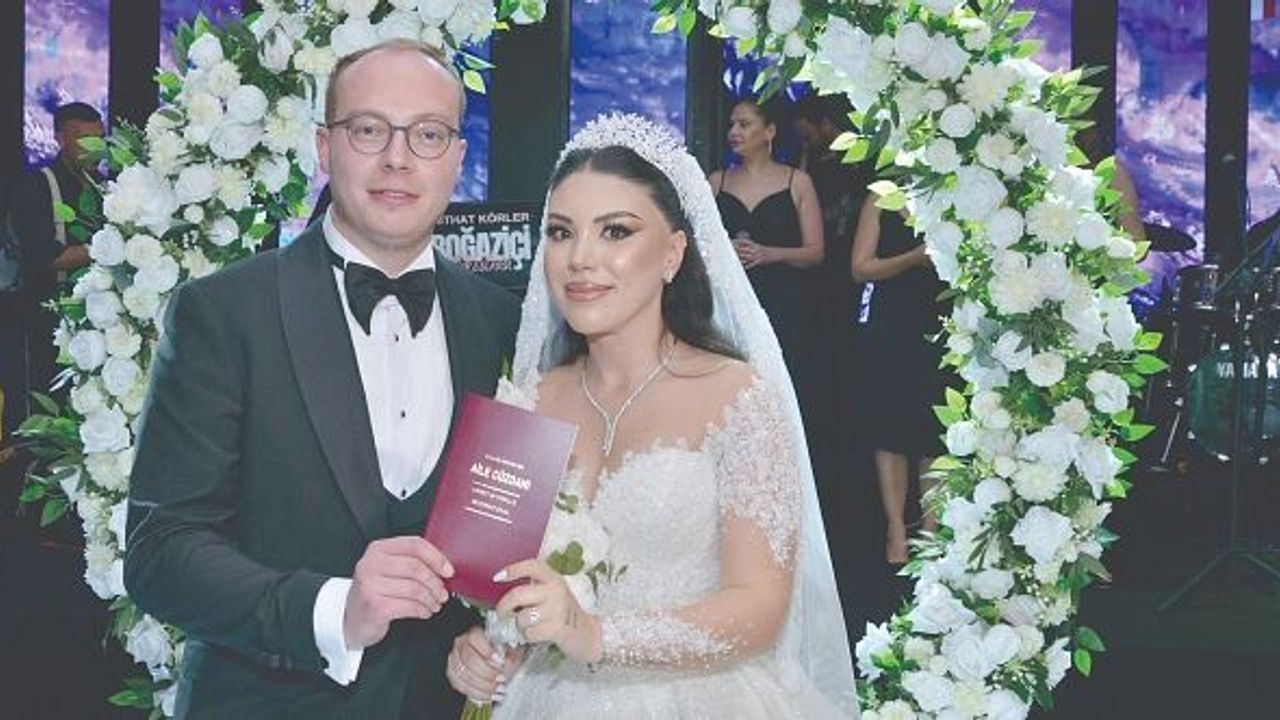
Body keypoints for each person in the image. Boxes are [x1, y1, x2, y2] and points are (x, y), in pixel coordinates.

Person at [124, 39, 520, 718]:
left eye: (427, 134)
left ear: (457, 157)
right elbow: (161, 552)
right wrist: (334, 610)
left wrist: (493, 639)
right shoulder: (223, 312)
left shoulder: (501, 322)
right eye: (368, 130)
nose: (398, 158)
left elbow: (504, 534)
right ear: (324, 148)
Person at [444, 114, 858, 718]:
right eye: (561, 232)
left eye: (615, 231)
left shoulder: (735, 395)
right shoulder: (527, 400)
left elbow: (760, 607)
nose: (580, 258)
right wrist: (489, 647)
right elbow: (503, 586)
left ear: (672, 253)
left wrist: (596, 635)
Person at [710, 98, 825, 443]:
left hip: (784, 303)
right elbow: (695, 247)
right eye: (732, 124)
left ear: (769, 131)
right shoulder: (716, 182)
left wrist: (770, 253)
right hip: (730, 304)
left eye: (744, 124)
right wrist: (723, 250)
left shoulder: (797, 182)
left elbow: (816, 252)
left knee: (779, 391)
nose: (734, 131)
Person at [851, 195, 950, 565]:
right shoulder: (881, 198)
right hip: (892, 322)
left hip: (942, 321)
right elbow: (860, 267)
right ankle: (895, 529)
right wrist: (913, 258)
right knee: (891, 427)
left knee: (935, 430)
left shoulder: (958, 194)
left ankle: (931, 531)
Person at [0, 102, 101, 435]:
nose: (92, 149)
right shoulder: (37, 186)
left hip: (93, 320)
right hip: (39, 321)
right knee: (39, 414)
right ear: (60, 138)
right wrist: (108, 248)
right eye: (82, 139)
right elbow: (44, 258)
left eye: (98, 139)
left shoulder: (106, 188)